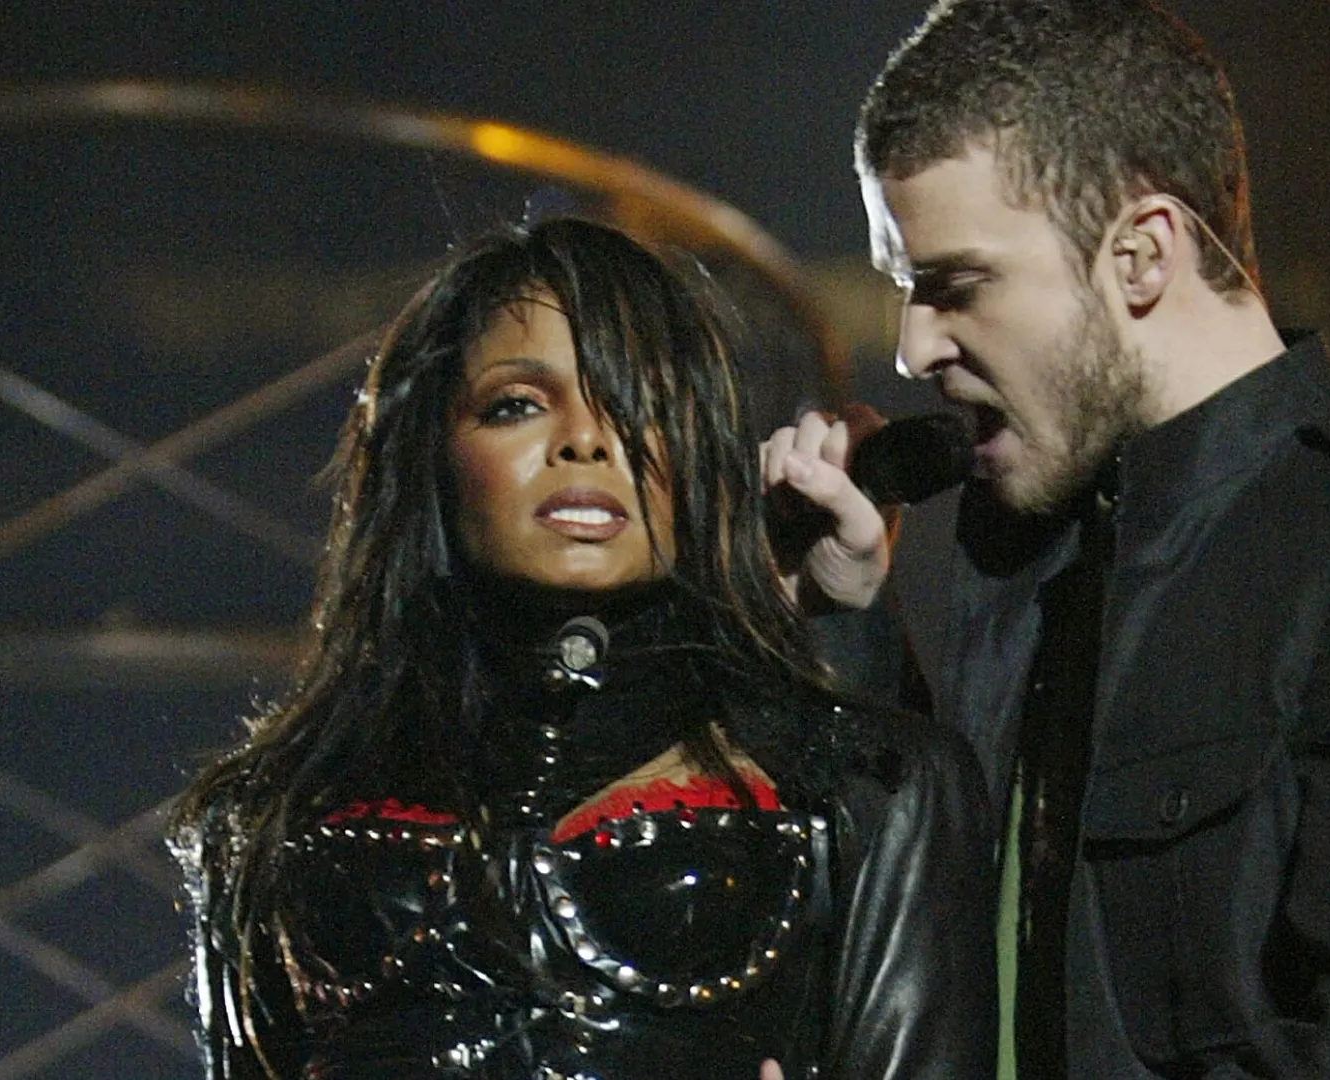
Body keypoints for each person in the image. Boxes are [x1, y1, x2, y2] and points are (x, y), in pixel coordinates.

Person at [763, 1, 1330, 1077]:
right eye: (902, 288)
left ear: (1141, 255)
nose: (913, 347)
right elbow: (931, 968)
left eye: (955, 285)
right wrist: (846, 621)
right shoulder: (1027, 551)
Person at [167, 217, 994, 1079]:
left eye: (640, 404)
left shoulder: (880, 788)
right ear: (431, 457)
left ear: (701, 453)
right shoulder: (264, 816)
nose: (586, 440)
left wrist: (835, 623)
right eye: (517, 405)